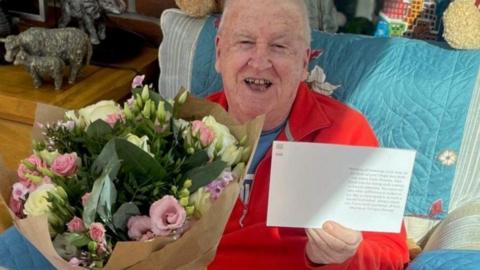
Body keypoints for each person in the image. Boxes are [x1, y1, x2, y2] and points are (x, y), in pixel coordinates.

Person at [206, 0, 410, 269]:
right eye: (245, 42)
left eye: (278, 46)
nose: (259, 61)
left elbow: (392, 255)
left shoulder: (346, 131)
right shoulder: (181, 126)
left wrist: (342, 257)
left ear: (304, 63)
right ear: (220, 53)